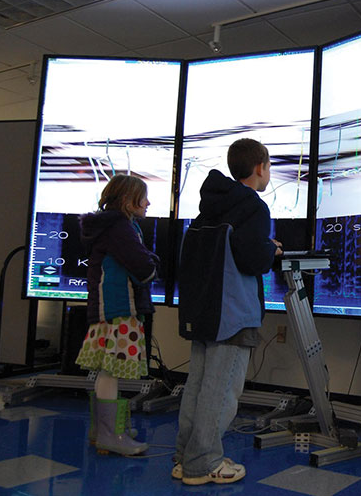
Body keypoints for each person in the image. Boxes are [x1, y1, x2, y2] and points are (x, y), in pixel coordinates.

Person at [173, 138, 282, 485]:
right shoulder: (254, 207)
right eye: (268, 167)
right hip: (233, 313)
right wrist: (270, 250)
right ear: (260, 168)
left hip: (204, 309)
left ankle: (185, 457)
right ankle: (203, 463)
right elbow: (252, 260)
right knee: (221, 391)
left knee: (198, 387)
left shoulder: (212, 206)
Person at [75, 174, 159, 456]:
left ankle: (102, 430)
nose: (148, 203)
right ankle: (110, 435)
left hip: (107, 308)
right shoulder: (120, 228)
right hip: (120, 308)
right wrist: (152, 265)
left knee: (106, 370)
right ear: (127, 200)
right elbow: (142, 266)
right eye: (143, 197)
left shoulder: (112, 226)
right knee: (111, 371)